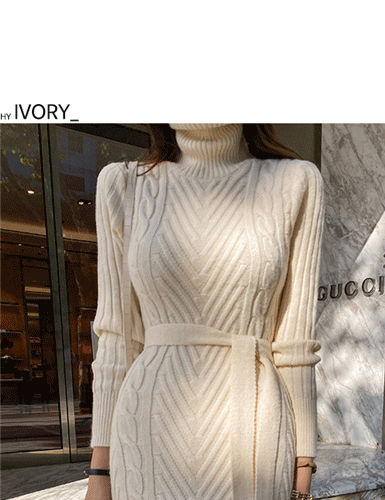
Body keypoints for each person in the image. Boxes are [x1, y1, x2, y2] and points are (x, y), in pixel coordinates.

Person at [85, 124, 324, 500]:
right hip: (146, 433)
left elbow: (295, 347)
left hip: (255, 430)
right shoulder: (123, 184)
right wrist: (100, 472)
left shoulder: (295, 181)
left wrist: (303, 469)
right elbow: (117, 342)